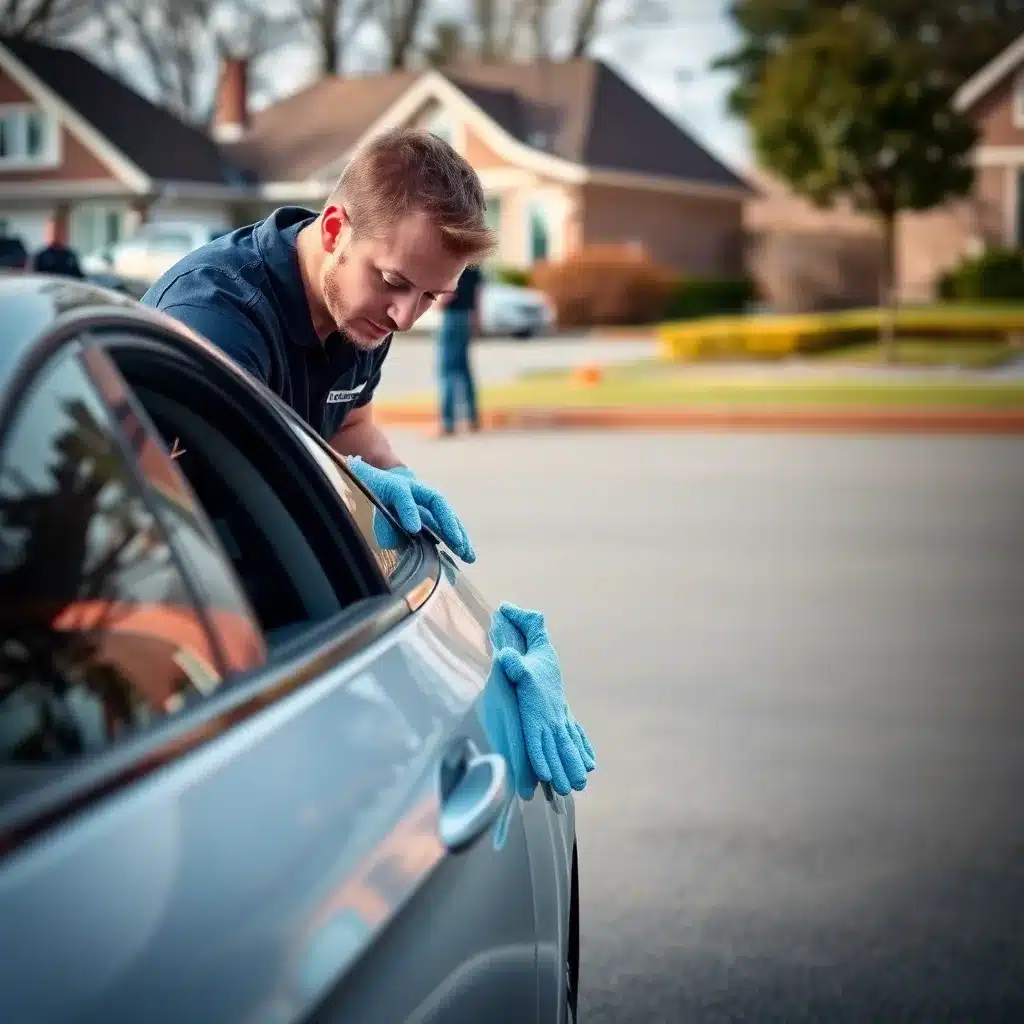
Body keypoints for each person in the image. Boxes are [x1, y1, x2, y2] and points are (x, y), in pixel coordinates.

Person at [141, 126, 595, 793]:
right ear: (333, 228)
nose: (406, 317)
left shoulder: (361, 310)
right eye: (395, 283)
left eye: (430, 298)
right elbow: (199, 487)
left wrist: (409, 500)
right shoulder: (217, 320)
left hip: (282, 591)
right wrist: (345, 485)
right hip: (188, 629)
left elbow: (351, 423)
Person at [436, 263, 482, 435]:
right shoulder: (473, 264)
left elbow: (448, 292)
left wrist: (438, 303)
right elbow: (478, 294)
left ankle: (447, 422)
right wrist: (477, 319)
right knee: (464, 370)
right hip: (467, 317)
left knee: (447, 371)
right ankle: (472, 419)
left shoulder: (454, 261)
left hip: (452, 317)